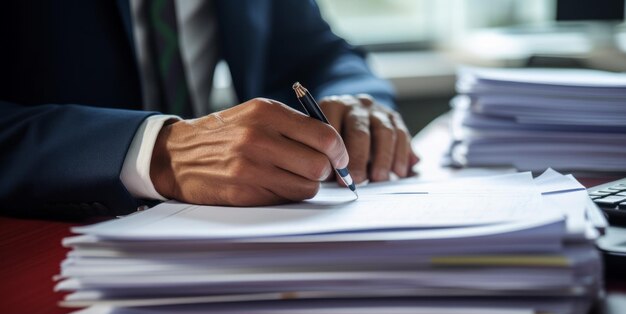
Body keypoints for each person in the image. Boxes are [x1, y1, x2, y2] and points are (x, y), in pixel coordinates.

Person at [0, 0, 418, 219]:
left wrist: (358, 103)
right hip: (42, 244)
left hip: (218, 243)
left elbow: (318, 55)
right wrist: (157, 153)